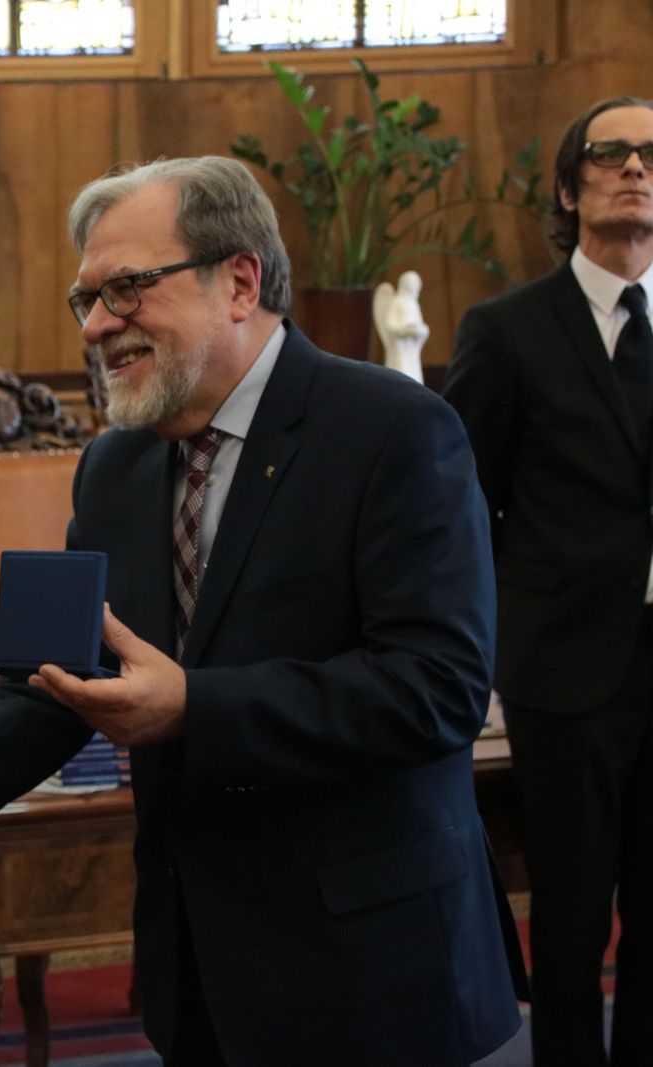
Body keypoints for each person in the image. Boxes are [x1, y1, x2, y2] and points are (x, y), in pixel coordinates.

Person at [0, 156, 527, 1066]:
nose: (97, 325)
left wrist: (193, 707)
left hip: (377, 974)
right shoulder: (114, 466)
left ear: (239, 280)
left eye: (127, 289)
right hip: (202, 975)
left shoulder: (395, 429)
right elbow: (56, 678)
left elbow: (438, 690)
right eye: (86, 299)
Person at [443, 96, 653, 1067]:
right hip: (565, 672)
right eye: (610, 153)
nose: (635, 168)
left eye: (651, 155)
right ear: (569, 189)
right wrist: (487, 645)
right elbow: (461, 505)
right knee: (570, 923)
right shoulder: (508, 328)